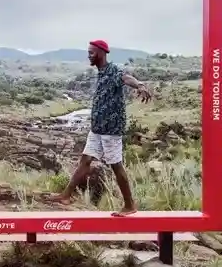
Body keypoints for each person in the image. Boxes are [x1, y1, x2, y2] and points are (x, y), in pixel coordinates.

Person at [50, 39, 153, 216]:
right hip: (97, 129)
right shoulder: (101, 72)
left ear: (101, 53)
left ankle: (129, 205)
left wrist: (140, 85)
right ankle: (66, 195)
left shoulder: (113, 70)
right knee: (85, 160)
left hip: (111, 130)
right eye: (88, 52)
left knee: (116, 165)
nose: (88, 55)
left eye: (91, 52)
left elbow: (126, 77)